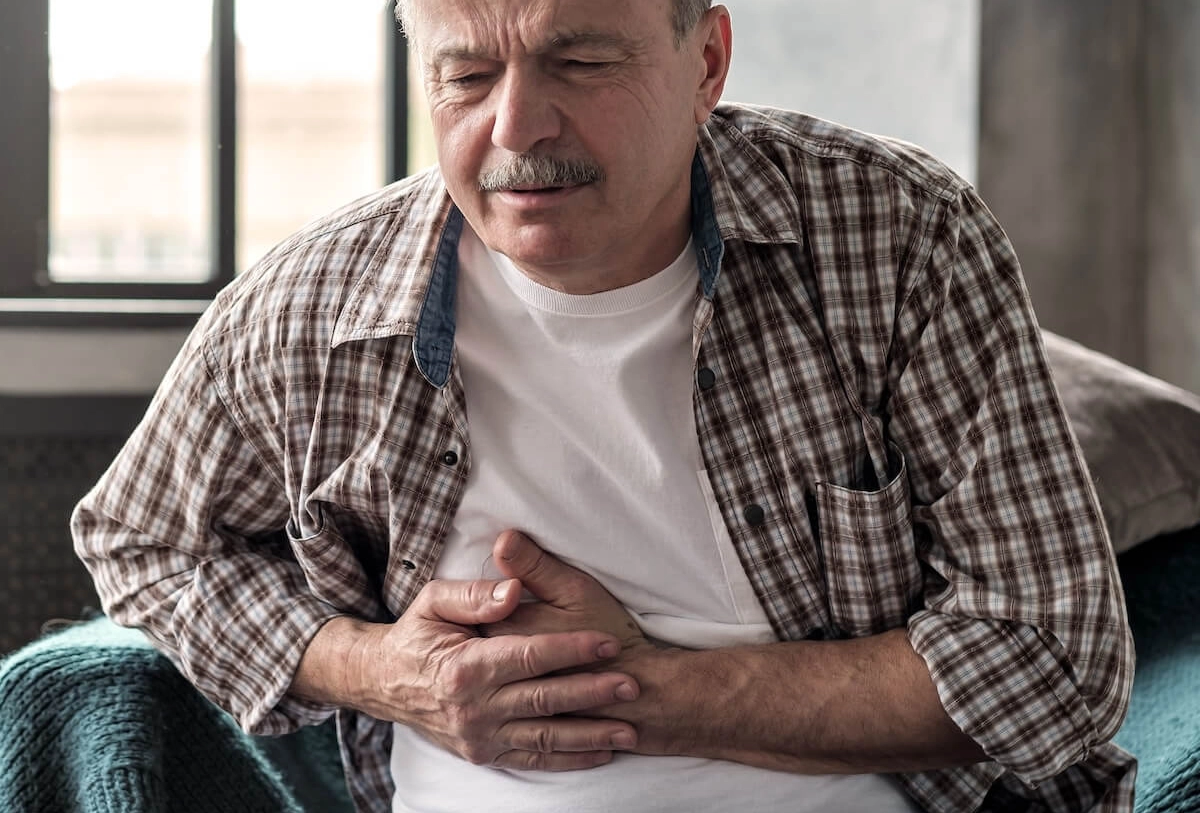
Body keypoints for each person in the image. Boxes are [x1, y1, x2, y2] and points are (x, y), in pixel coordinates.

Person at [73, 0, 1136, 811]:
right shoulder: (312, 306)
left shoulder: (899, 238)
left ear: (706, 62)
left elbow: (1055, 658)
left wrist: (644, 687)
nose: (518, 125)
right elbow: (139, 538)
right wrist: (385, 670)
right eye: (467, 73)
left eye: (580, 61)